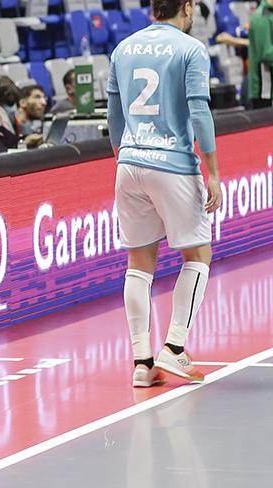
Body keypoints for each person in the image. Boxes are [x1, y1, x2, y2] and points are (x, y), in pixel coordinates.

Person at [107, 0, 222, 387]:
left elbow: (113, 113)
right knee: (199, 253)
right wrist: (214, 170)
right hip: (172, 161)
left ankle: (142, 363)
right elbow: (200, 110)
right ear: (187, 7)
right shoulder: (190, 48)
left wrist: (122, 156)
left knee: (138, 264)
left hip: (130, 161)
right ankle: (174, 349)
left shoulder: (123, 47)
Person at [15, 84, 47, 149]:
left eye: (44, 98)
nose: (44, 103)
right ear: (23, 102)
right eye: (37, 97)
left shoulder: (41, 123)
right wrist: (24, 143)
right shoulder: (9, 124)